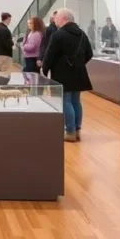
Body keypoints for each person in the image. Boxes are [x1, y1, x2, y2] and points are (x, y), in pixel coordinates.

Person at [41, 9, 93, 142]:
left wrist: (45, 71)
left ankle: (69, 132)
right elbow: (89, 53)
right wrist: (79, 63)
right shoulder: (82, 34)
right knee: (76, 101)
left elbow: (49, 54)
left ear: (64, 19)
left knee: (66, 101)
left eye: (56, 18)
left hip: (62, 73)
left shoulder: (59, 34)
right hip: (78, 72)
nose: (55, 20)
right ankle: (77, 130)